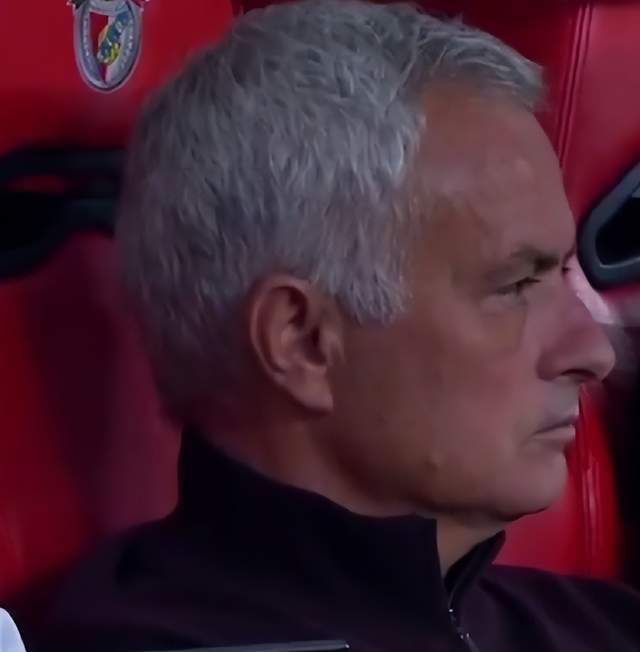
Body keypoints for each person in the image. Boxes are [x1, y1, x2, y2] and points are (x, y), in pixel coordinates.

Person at [41, 1, 640, 651]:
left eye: (564, 273)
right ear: (302, 342)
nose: (593, 352)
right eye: (516, 286)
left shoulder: (589, 621)